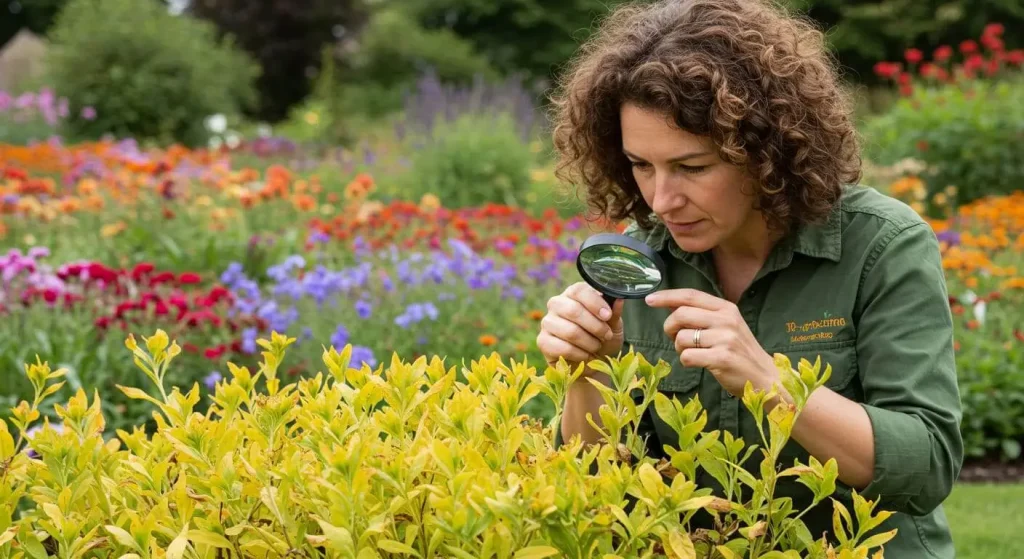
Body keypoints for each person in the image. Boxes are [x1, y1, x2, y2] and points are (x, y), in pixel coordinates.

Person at [536, 0, 964, 556]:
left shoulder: (881, 245)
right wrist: (586, 371)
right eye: (642, 165)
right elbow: (595, 484)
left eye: (692, 167)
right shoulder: (636, 262)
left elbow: (928, 467)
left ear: (766, 151)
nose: (661, 199)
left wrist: (771, 383)